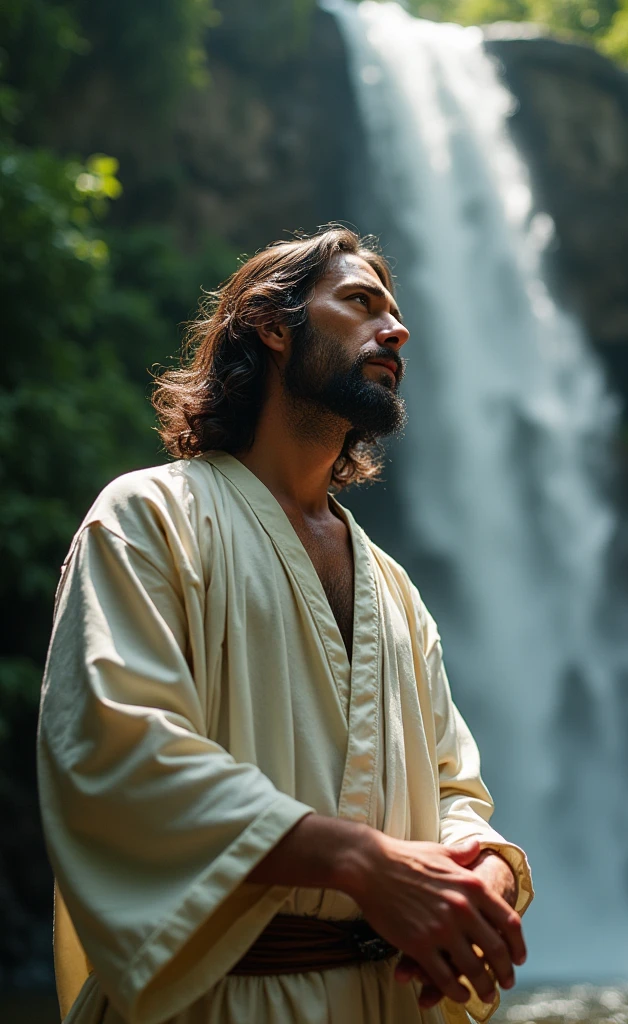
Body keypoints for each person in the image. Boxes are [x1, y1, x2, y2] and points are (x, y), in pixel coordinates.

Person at [38, 226, 533, 1024]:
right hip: (223, 1001)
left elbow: (453, 784)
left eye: (398, 314)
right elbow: (115, 748)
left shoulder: (396, 587)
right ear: (272, 326)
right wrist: (360, 862)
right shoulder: (149, 517)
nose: (397, 329)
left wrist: (484, 870)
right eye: (361, 302)